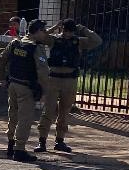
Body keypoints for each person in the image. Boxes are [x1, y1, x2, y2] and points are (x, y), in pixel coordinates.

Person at [36, 18, 101, 153]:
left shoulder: (78, 41)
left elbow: (97, 41)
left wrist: (83, 28)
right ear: (62, 29)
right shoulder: (54, 40)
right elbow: (40, 38)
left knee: (64, 111)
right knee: (48, 111)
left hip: (70, 80)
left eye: (71, 31)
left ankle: (60, 140)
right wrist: (54, 27)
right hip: (53, 79)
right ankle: (42, 141)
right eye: (66, 30)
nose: (68, 34)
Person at [0, 20, 50, 162]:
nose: (45, 33)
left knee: (13, 115)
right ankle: (19, 150)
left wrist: (2, 79)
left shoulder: (15, 43)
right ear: (37, 31)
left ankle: (11, 145)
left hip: (12, 85)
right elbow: (43, 72)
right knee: (25, 118)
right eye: (43, 30)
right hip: (26, 88)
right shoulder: (36, 48)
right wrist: (44, 92)